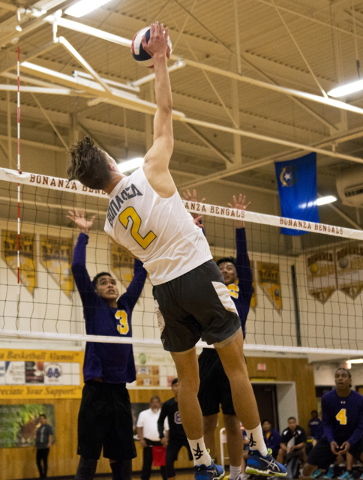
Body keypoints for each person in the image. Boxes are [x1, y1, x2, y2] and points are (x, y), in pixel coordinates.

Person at [67, 21, 286, 480]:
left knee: (187, 380)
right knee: (236, 369)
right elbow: (163, 110)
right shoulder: (148, 169)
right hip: (199, 275)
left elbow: (157, 230)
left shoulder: (109, 225)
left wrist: (183, 222)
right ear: (110, 161)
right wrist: (160, 59)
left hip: (166, 294)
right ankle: (262, 454)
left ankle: (203, 463)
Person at [68, 208, 147, 480]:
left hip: (119, 392)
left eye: (112, 281)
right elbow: (78, 267)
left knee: (124, 455)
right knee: (89, 456)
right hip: (96, 391)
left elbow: (140, 274)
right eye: (104, 282)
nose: (111, 285)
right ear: (96, 290)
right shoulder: (93, 305)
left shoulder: (125, 305)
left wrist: (137, 244)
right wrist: (83, 233)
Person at [192, 190, 253, 480]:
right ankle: (209, 469)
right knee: (207, 419)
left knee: (232, 419)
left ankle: (237, 472)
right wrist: (198, 225)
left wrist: (239, 225)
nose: (226, 270)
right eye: (221, 267)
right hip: (208, 355)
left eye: (230, 268)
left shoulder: (243, 291)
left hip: (234, 357)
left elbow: (244, 262)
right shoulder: (211, 286)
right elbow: (200, 258)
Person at [300, 368, 363, 480]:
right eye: (337, 376)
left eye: (343, 376)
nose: (340, 378)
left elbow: (361, 426)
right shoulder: (327, 398)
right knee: (307, 467)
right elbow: (326, 423)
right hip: (332, 437)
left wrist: (350, 442)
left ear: (350, 380)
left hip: (354, 438)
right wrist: (331, 440)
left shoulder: (359, 399)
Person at [157, 378, 193, 480]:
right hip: (174, 438)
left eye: (180, 385)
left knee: (199, 459)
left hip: (189, 437)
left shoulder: (190, 402)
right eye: (176, 386)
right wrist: (162, 436)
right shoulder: (168, 405)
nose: (178, 388)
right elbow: (160, 422)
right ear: (172, 388)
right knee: (168, 460)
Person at [137, 396, 167, 480]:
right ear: (150, 404)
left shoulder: (164, 414)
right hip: (148, 444)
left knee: (164, 466)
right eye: (153, 402)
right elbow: (139, 427)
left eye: (157, 402)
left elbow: (167, 429)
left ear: (160, 404)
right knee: (146, 466)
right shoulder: (143, 414)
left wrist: (166, 440)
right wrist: (141, 439)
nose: (155, 404)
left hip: (161, 444)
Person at [35, 414, 53, 479]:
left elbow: (50, 435)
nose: (41, 420)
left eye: (42, 418)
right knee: (38, 461)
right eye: (40, 419)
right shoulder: (39, 428)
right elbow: (37, 436)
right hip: (39, 447)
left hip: (45, 446)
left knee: (45, 461)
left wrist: (49, 443)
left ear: (45, 419)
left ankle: (45, 475)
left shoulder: (48, 427)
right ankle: (41, 474)